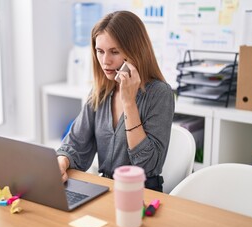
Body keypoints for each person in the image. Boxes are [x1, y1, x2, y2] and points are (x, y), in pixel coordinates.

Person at [56, 10, 175, 192]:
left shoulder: (160, 93)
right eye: (100, 51)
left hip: (142, 194)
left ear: (135, 51)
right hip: (107, 190)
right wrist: (61, 162)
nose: (105, 61)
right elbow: (75, 143)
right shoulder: (101, 91)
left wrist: (129, 103)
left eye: (114, 52)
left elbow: (148, 165)